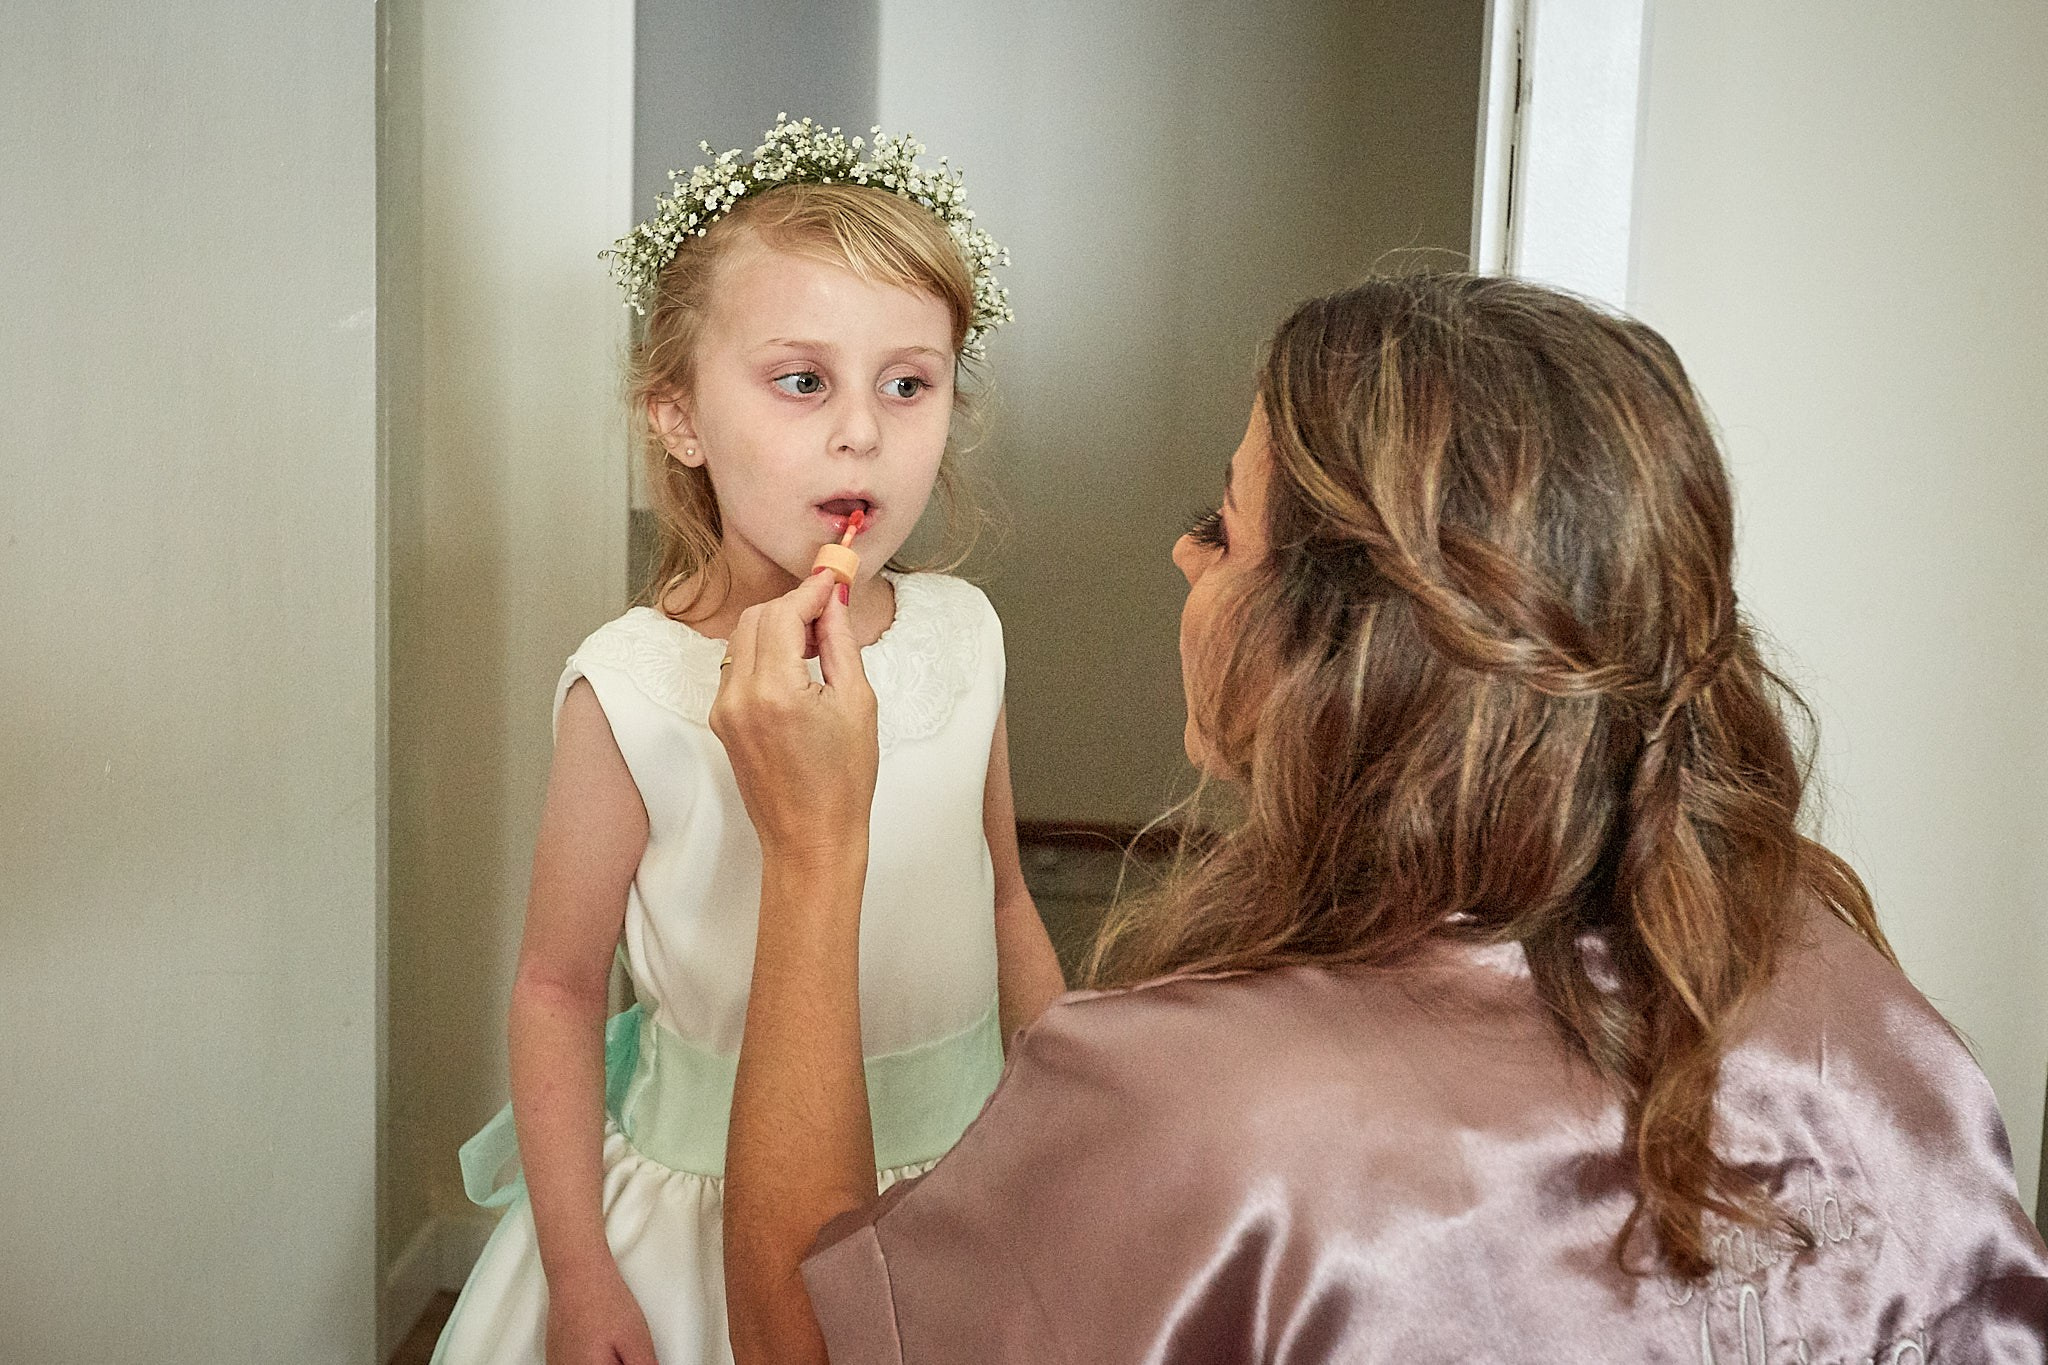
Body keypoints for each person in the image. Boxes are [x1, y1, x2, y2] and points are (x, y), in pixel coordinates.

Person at [709, 273, 2048, 1362]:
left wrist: (815, 857)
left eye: (1222, 531)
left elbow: (809, 1341)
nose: (1187, 558)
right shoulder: (1865, 1023)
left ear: (1340, 646)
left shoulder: (1206, 1118)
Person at [430, 119, 1066, 1365]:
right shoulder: (629, 689)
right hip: (701, 1220)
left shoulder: (965, 636)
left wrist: (1071, 1130)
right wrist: (579, 1272)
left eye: (907, 381)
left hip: (965, 1186)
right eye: (801, 380)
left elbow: (1002, 903)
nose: (861, 435)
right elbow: (557, 992)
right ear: (676, 415)